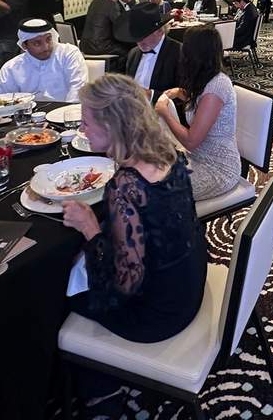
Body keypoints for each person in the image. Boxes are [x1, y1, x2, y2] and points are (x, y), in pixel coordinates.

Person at [63, 76, 207, 355]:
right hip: (189, 281)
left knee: (60, 292)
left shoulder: (126, 187)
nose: (82, 129)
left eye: (87, 123)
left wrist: (90, 228)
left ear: (112, 125)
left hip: (159, 315)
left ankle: (88, 377)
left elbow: (124, 284)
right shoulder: (168, 153)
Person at [154, 26, 240, 201]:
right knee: (146, 170)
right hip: (197, 157)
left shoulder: (217, 86)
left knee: (152, 192)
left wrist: (165, 113)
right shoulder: (207, 78)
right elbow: (201, 105)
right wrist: (180, 92)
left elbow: (191, 141)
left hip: (217, 168)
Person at [0, 19, 87, 102]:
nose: (46, 47)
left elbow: (78, 89)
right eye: (37, 43)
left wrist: (66, 113)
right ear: (24, 46)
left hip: (65, 112)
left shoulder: (68, 54)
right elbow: (1, 100)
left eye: (48, 39)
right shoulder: (11, 68)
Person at [119, 3, 182, 96]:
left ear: (160, 31)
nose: (139, 41)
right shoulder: (133, 54)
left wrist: (151, 95)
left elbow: (184, 94)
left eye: (144, 35)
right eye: (135, 37)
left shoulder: (179, 53)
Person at [82, 0, 131, 71]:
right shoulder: (111, 4)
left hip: (85, 45)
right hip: (99, 46)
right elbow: (119, 24)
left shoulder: (94, 2)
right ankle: (116, 75)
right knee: (127, 50)